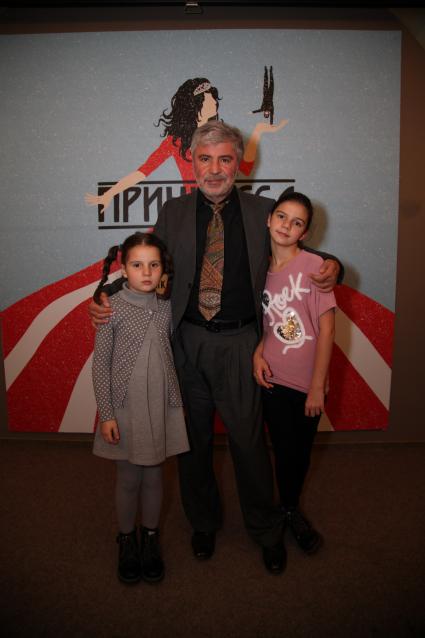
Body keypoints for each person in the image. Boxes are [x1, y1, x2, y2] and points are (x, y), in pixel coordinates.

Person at [89, 121, 341, 575]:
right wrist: (104, 294)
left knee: (248, 443)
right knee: (193, 441)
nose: (215, 169)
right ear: (192, 162)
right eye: (205, 159)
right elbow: (145, 263)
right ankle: (202, 522)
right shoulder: (173, 212)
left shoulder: (264, 211)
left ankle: (265, 528)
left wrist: (333, 265)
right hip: (186, 341)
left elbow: (298, 254)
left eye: (225, 159)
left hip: (242, 343)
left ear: (239, 164)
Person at [91, 231, 189, 585]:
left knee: (154, 477)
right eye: (137, 265)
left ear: (163, 268)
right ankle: (126, 539)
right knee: (129, 478)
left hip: (160, 405)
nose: (146, 273)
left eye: (153, 265)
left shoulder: (167, 308)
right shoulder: (111, 308)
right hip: (125, 408)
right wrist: (107, 414)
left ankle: (150, 537)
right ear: (123, 268)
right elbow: (100, 365)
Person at [253, 191, 336, 557]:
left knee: (299, 454)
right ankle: (284, 510)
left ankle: (291, 508)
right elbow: (268, 324)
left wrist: (317, 387)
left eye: (297, 222)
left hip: (307, 384)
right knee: (280, 449)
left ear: (304, 233)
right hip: (273, 379)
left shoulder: (314, 267)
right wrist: (258, 351)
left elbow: (327, 330)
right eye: (282, 217)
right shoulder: (261, 271)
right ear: (269, 219)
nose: (287, 226)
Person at [85, 76, 288, 212]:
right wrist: (110, 194)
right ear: (196, 105)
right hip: (192, 211)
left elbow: (245, 168)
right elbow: (142, 172)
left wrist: (258, 132)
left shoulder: (225, 136)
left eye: (214, 98)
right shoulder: (176, 142)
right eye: (210, 98)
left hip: (225, 209)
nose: (215, 102)